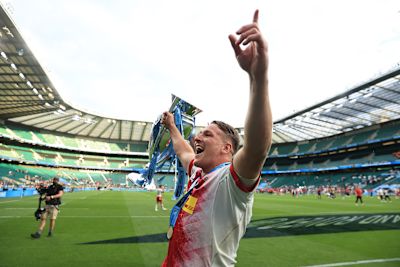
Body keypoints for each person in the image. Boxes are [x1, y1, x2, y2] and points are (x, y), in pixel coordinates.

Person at [160, 9, 272, 266]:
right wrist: (171, 127)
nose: (198, 136)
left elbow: (257, 148)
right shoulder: (199, 174)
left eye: (207, 134)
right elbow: (183, 151)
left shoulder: (229, 183)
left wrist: (258, 76)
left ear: (227, 148)